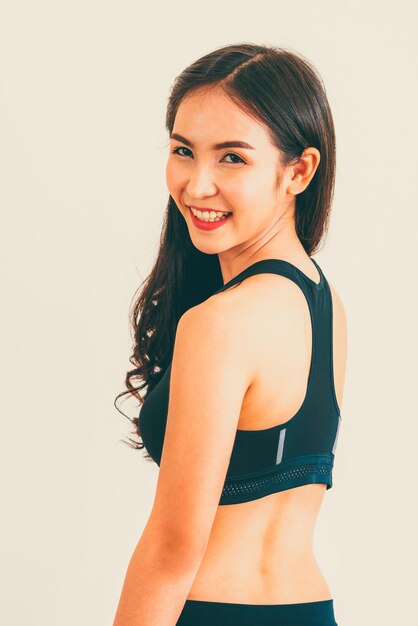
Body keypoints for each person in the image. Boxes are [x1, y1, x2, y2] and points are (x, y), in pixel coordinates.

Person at [113, 42, 347, 626]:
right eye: (184, 151)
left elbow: (171, 553)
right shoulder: (324, 303)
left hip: (215, 610)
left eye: (232, 158)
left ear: (299, 171)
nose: (196, 185)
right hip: (309, 610)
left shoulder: (222, 323)